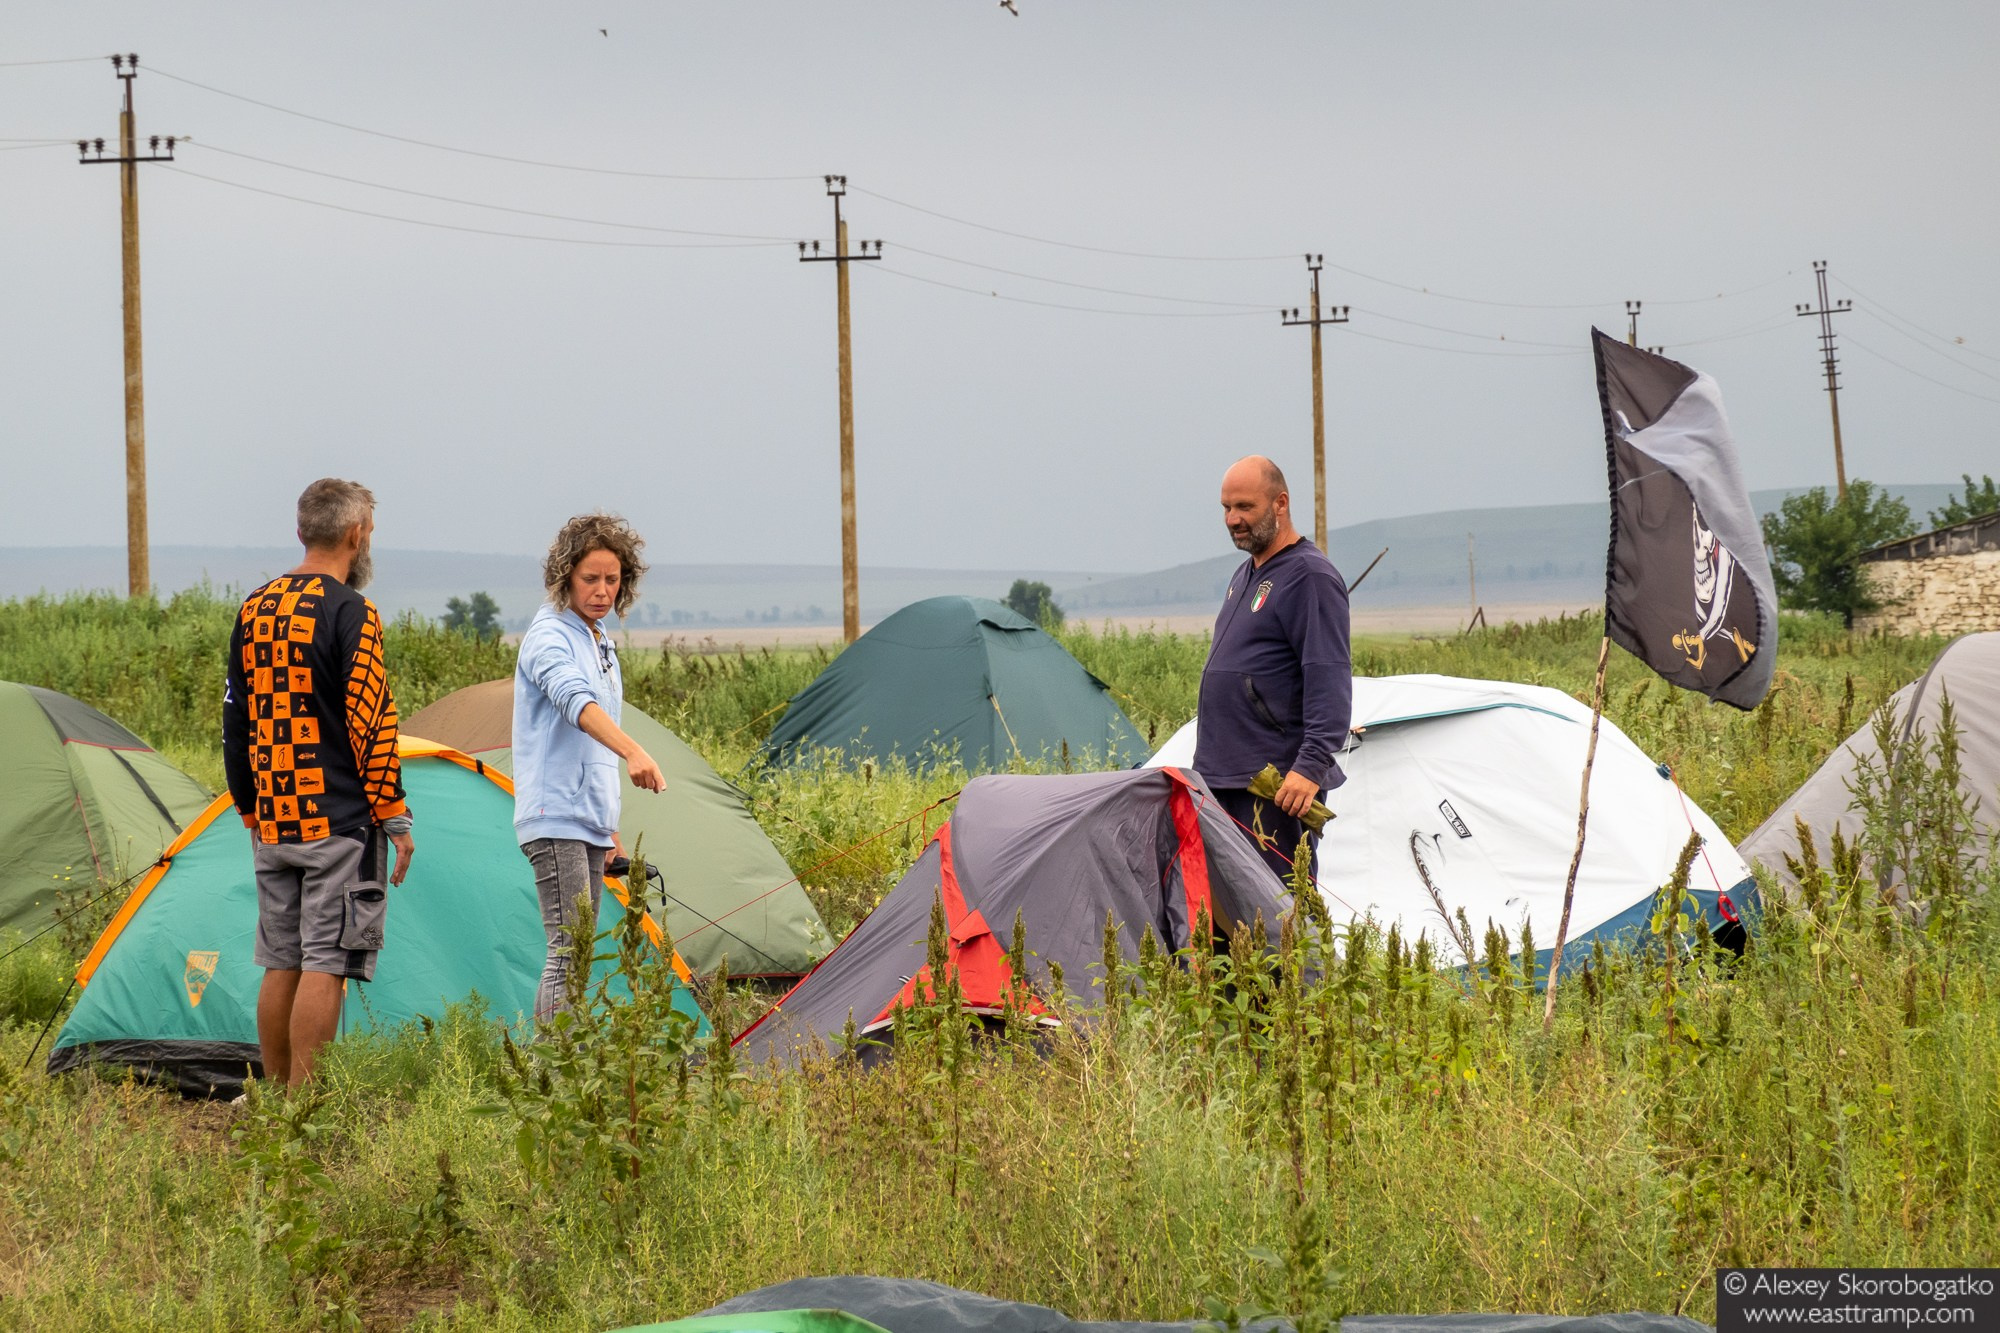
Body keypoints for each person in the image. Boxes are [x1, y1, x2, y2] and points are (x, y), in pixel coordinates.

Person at [223, 478, 415, 1088]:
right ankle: (308, 1109)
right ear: (356, 536)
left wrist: (250, 809)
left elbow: (236, 719)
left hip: (272, 821)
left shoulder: (256, 606)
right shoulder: (351, 611)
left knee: (281, 960)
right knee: (325, 964)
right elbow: (371, 720)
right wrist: (395, 815)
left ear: (300, 531)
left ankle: (276, 1100)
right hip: (338, 823)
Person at [513, 512, 666, 1023]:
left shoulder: (597, 638)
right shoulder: (549, 636)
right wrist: (634, 751)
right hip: (553, 813)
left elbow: (591, 748)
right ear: (565, 577)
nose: (602, 590)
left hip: (587, 818)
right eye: (590, 579)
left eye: (612, 580)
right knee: (569, 950)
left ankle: (564, 1071)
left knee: (579, 952)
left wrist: (610, 829)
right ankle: (548, 1076)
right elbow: (574, 703)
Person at [1192, 456, 1351, 885]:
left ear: (1280, 503)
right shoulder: (1245, 573)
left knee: (1280, 915)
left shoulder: (1309, 576)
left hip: (1274, 785)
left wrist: (1310, 766)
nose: (1233, 519)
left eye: (1245, 507)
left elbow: (1329, 677)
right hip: (1223, 776)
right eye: (1226, 508)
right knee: (1230, 919)